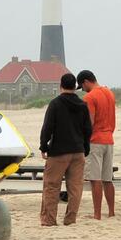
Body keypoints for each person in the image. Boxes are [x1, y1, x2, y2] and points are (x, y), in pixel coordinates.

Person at [39, 73, 92, 226]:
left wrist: (44, 146)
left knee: (51, 186)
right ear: (75, 86)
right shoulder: (83, 105)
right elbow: (87, 129)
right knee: (75, 188)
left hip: (59, 152)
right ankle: (70, 219)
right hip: (78, 151)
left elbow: (47, 128)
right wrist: (85, 148)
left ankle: (49, 220)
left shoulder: (55, 104)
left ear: (60, 85)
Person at [77, 69, 117, 219]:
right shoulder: (109, 93)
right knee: (108, 179)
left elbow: (90, 122)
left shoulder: (90, 97)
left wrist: (82, 138)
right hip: (109, 139)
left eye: (82, 86)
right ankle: (111, 212)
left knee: (95, 179)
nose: (83, 90)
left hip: (95, 141)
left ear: (86, 81)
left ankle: (97, 214)